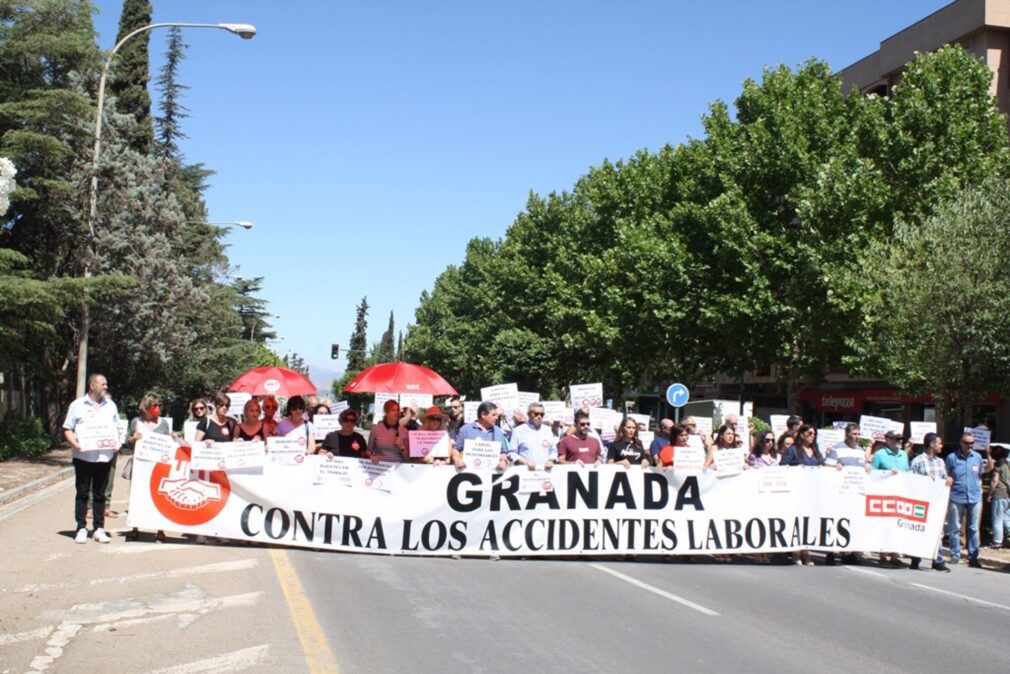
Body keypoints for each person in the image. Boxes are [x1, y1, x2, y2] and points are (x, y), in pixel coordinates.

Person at [63, 373, 118, 544]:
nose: (106, 387)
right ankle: (80, 528)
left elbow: (118, 427)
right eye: (103, 384)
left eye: (106, 384)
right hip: (83, 456)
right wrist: (76, 444)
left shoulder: (111, 406)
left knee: (100, 494)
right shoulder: (77, 405)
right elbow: (67, 429)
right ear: (92, 386)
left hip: (104, 456)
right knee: (82, 493)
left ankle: (99, 528)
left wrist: (118, 443)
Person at [124, 393, 171, 542]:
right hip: (140, 467)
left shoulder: (163, 423)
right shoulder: (135, 422)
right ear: (146, 407)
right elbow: (127, 441)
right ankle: (135, 528)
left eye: (159, 405)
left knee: (159, 497)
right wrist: (133, 438)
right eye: (154, 405)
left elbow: (168, 442)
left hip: (158, 466)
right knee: (137, 496)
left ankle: (160, 530)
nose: (158, 408)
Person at [909, 432, 953, 571]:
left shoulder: (940, 462)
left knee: (937, 531)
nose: (942, 446)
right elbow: (910, 480)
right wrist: (924, 480)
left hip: (936, 503)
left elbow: (944, 479)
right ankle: (915, 558)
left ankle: (937, 560)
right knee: (919, 530)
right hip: (921, 503)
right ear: (932, 444)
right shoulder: (918, 461)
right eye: (939, 443)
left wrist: (948, 480)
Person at [780, 424, 822, 565]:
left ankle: (806, 551)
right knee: (797, 521)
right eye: (810, 433)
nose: (812, 436)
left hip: (812, 492)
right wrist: (796, 469)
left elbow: (822, 466)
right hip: (796, 492)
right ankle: (796, 552)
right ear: (802, 434)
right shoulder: (793, 450)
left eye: (814, 434)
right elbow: (782, 467)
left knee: (809, 522)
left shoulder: (816, 451)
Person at [871, 430, 911, 567]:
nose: (899, 441)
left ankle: (894, 554)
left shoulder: (904, 455)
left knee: (897, 524)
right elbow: (872, 474)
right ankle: (882, 554)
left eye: (900, 439)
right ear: (887, 440)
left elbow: (907, 472)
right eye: (896, 439)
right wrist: (887, 473)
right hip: (884, 495)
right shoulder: (879, 455)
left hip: (900, 496)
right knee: (884, 524)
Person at [946, 431, 984, 568]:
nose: (970, 446)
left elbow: (980, 475)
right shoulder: (952, 458)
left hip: (974, 496)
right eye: (967, 443)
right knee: (955, 527)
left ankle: (973, 557)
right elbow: (947, 475)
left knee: (973, 527)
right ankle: (955, 554)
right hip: (957, 496)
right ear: (961, 443)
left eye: (972, 443)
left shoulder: (978, 457)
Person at [452, 401, 510, 470]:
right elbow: (456, 450)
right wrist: (457, 459)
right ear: (483, 414)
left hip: (492, 474)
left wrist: (503, 461)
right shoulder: (465, 429)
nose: (496, 418)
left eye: (497, 415)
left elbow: (503, 453)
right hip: (469, 472)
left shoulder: (498, 431)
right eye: (493, 415)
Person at [508, 402, 558, 469]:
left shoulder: (548, 430)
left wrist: (550, 460)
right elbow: (511, 453)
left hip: (545, 472)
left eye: (542, 414)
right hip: (526, 472)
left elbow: (553, 451)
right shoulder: (518, 431)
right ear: (528, 414)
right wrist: (525, 462)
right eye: (536, 414)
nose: (539, 416)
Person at [369, 399, 409, 463]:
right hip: (379, 469)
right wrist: (371, 456)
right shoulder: (375, 429)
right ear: (386, 412)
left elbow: (408, 459)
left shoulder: (404, 431)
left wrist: (402, 447)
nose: (397, 413)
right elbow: (368, 451)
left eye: (398, 410)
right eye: (393, 410)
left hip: (397, 470)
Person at [987, 444, 1010, 550]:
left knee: (997, 518)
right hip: (1008, 494)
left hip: (999, 494)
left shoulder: (998, 466)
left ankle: (997, 541)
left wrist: (990, 494)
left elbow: (994, 481)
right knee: (1006, 517)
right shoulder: (1007, 465)